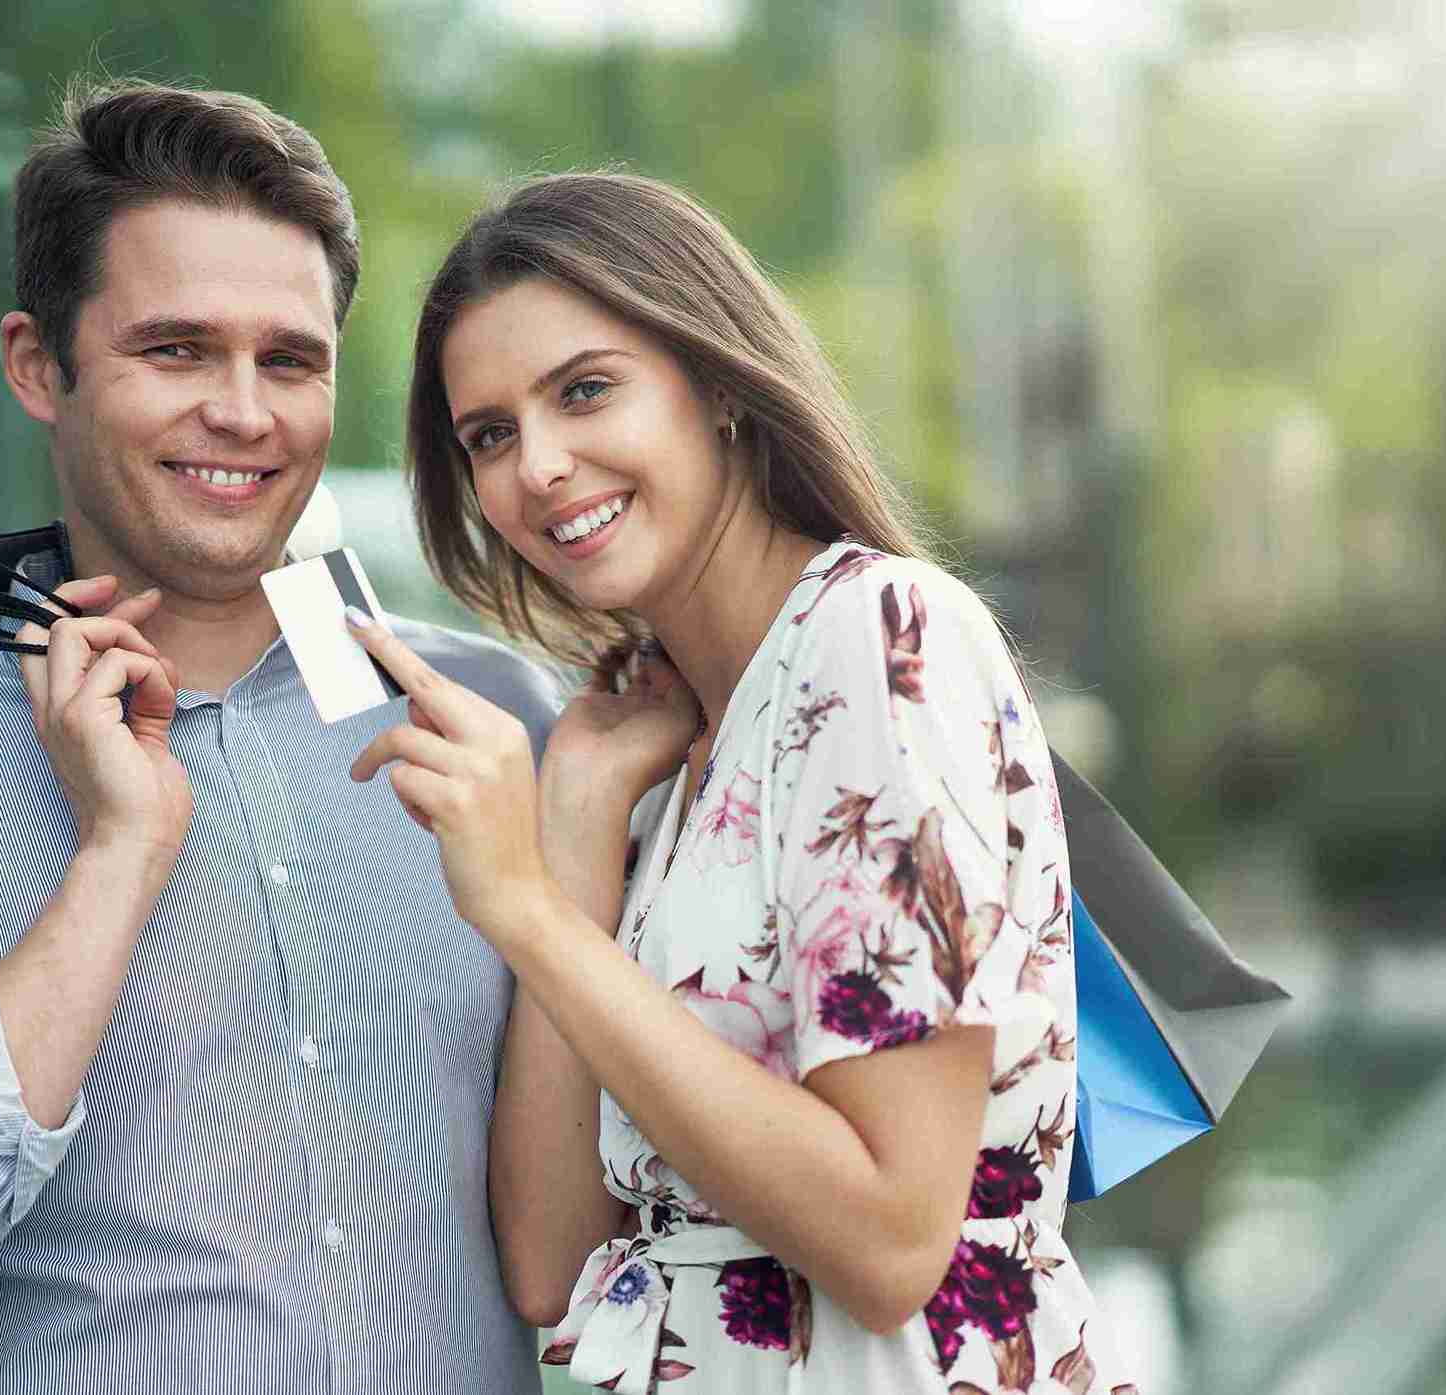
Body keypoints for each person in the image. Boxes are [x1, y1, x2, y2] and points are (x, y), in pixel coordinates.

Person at [0, 79, 559, 1393]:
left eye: (289, 359)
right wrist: (114, 856)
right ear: (36, 366)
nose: (243, 411)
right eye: (176, 350)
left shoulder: (499, 724)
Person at [342, 171, 1136, 1393]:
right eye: (488, 435)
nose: (538, 467)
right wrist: (576, 820)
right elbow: (551, 1264)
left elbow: (887, 1242)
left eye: (585, 390)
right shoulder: (661, 747)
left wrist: (524, 910)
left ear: (714, 386)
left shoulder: (875, 640)